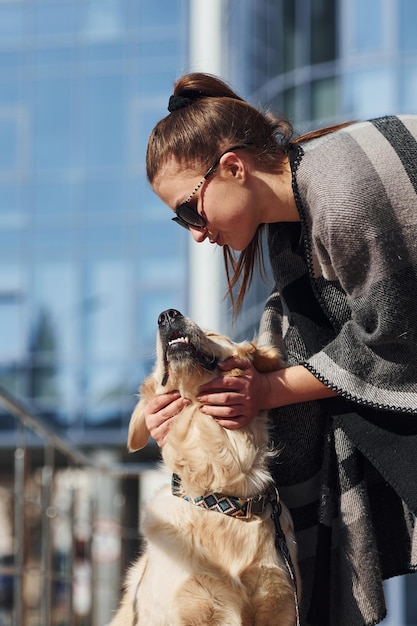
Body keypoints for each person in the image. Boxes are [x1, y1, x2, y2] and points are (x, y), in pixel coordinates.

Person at [143, 72, 417, 626]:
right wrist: (192, 404)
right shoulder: (293, 226)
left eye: (191, 210)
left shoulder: (343, 193)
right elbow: (285, 345)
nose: (195, 233)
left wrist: (267, 389)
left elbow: (399, 339)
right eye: (181, 221)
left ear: (234, 169)